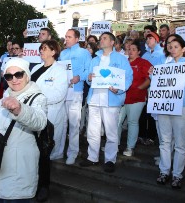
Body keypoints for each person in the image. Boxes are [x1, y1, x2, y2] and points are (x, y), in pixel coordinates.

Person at [0, 58, 47, 202]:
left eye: (19, 74)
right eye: (9, 76)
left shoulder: (38, 98)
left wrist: (20, 110)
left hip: (18, 174)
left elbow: (40, 121)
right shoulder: (4, 97)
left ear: (27, 75)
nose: (14, 79)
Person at [80, 32, 133, 173]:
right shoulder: (95, 59)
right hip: (95, 99)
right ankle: (92, 157)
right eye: (101, 38)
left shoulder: (121, 59)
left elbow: (128, 77)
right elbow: (88, 77)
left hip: (111, 100)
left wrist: (120, 89)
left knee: (111, 132)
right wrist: (89, 77)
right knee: (92, 130)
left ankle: (110, 159)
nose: (101, 40)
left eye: (104, 38)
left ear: (112, 42)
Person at [154, 36, 185, 189]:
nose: (172, 49)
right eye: (170, 46)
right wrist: (153, 74)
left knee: (180, 143)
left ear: (183, 49)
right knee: (165, 141)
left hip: (182, 107)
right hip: (164, 106)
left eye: (176, 46)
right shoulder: (163, 65)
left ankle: (177, 174)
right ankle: (164, 171)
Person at [31, 40, 68, 201]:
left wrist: (39, 99)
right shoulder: (36, 68)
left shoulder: (60, 71)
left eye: (44, 48)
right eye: (40, 48)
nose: (41, 50)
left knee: (44, 154)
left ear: (53, 52)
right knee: (33, 152)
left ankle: (43, 186)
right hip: (32, 115)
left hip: (49, 116)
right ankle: (32, 184)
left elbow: (59, 94)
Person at [59, 29, 92, 165]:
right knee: (61, 123)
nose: (66, 39)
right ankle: (58, 151)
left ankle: (72, 152)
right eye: (65, 37)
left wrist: (80, 77)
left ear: (77, 39)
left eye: (69, 37)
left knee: (74, 123)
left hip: (76, 91)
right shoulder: (62, 53)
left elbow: (89, 71)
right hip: (62, 91)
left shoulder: (84, 53)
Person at [118, 41, 152, 156]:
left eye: (133, 49)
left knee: (132, 122)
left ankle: (130, 147)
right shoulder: (123, 62)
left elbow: (149, 78)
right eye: (129, 49)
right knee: (117, 121)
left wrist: (139, 88)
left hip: (137, 98)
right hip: (121, 97)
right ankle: (114, 145)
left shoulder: (143, 62)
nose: (130, 51)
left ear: (138, 52)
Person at [139, 31, 164, 146]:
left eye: (150, 38)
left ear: (156, 40)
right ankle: (142, 134)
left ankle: (152, 136)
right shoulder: (145, 55)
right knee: (144, 111)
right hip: (145, 86)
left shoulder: (162, 54)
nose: (148, 41)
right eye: (147, 39)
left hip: (156, 87)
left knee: (153, 112)